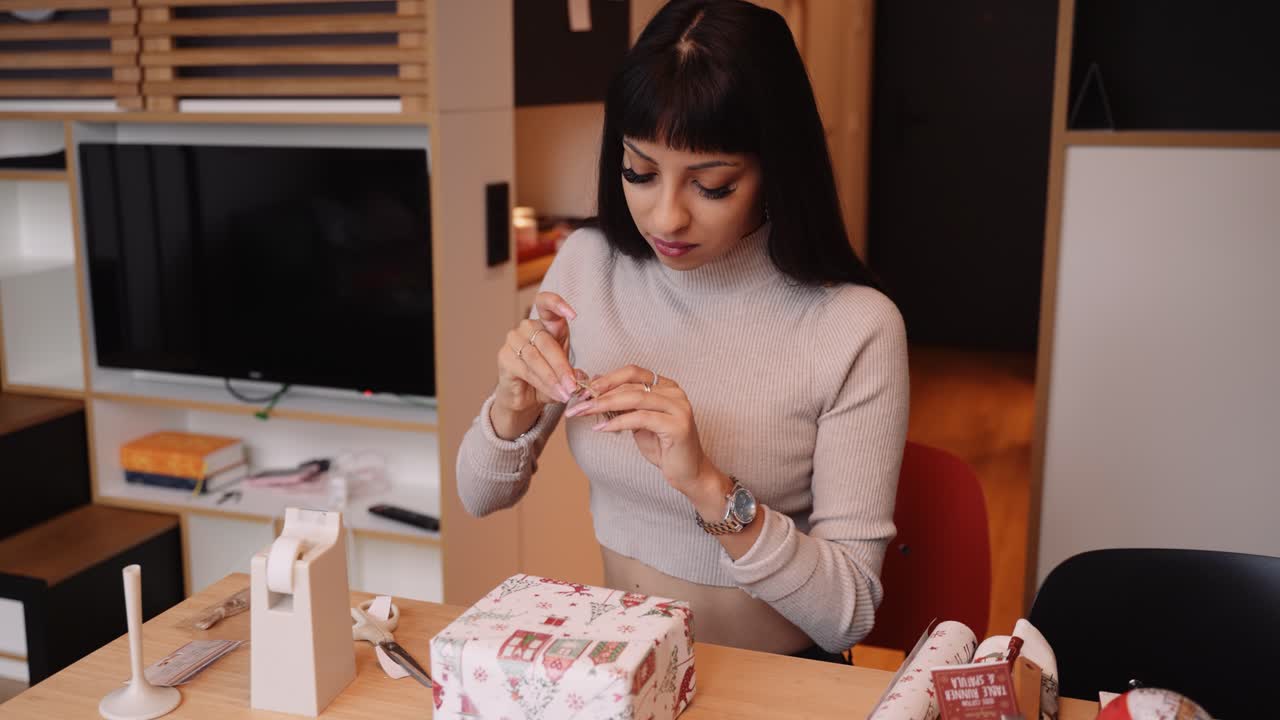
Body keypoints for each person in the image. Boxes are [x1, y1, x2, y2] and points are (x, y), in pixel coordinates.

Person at [456, 0, 908, 663]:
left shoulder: (854, 327)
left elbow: (850, 615)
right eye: (639, 172)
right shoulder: (587, 266)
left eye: (712, 185)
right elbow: (479, 496)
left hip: (778, 685)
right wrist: (510, 410)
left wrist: (706, 485)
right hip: (623, 670)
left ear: (775, 168)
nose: (666, 217)